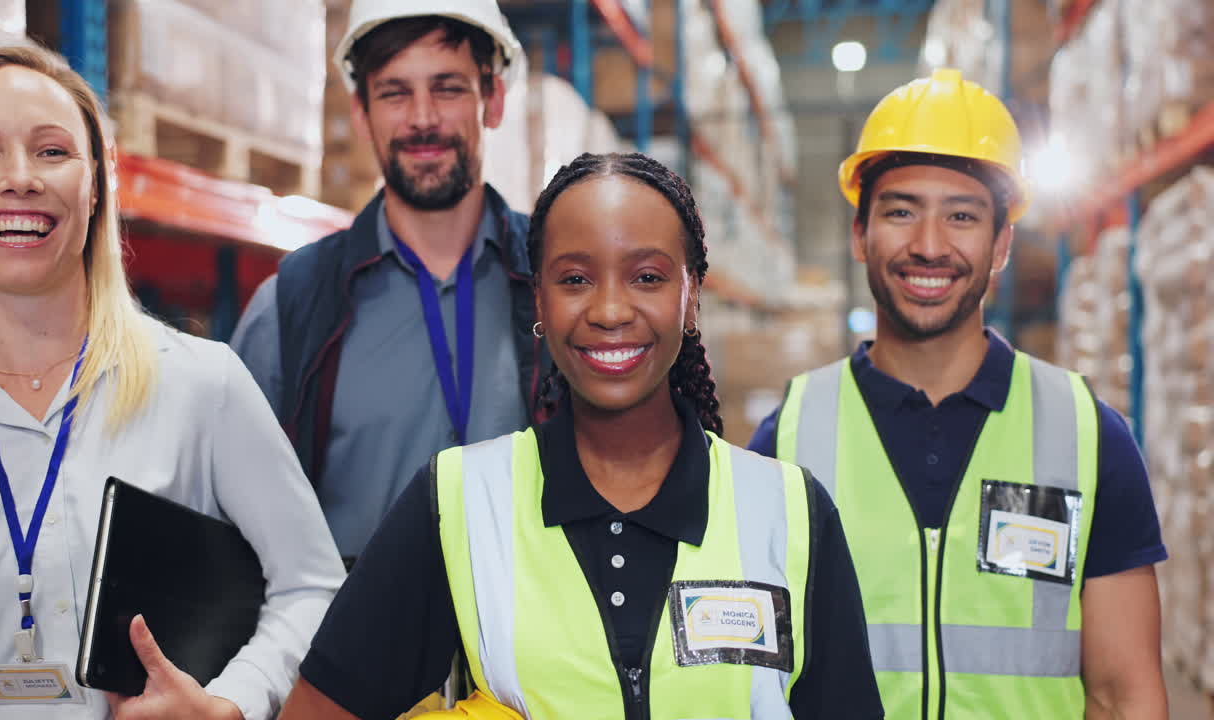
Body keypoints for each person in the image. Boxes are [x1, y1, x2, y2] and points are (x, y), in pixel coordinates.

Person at [275, 152, 885, 720]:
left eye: (647, 277)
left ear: (691, 295)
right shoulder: (462, 502)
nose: (610, 310)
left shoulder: (789, 514)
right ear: (538, 297)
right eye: (574, 280)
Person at [0, 47, 345, 719]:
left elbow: (313, 586)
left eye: (52, 152)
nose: (18, 179)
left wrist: (228, 705)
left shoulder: (199, 386)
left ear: (96, 184)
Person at [748, 68, 1168, 719]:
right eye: (900, 212)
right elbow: (753, 684)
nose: (929, 246)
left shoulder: (1087, 436)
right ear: (860, 235)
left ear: (1001, 244)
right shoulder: (788, 439)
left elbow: (1125, 696)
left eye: (963, 216)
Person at [229, 0, 545, 568]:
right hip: (349, 649)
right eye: (395, 93)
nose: (422, 119)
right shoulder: (294, 304)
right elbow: (233, 513)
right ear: (361, 112)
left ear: (492, 100)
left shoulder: (554, 280)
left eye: (447, 88)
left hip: (527, 645)